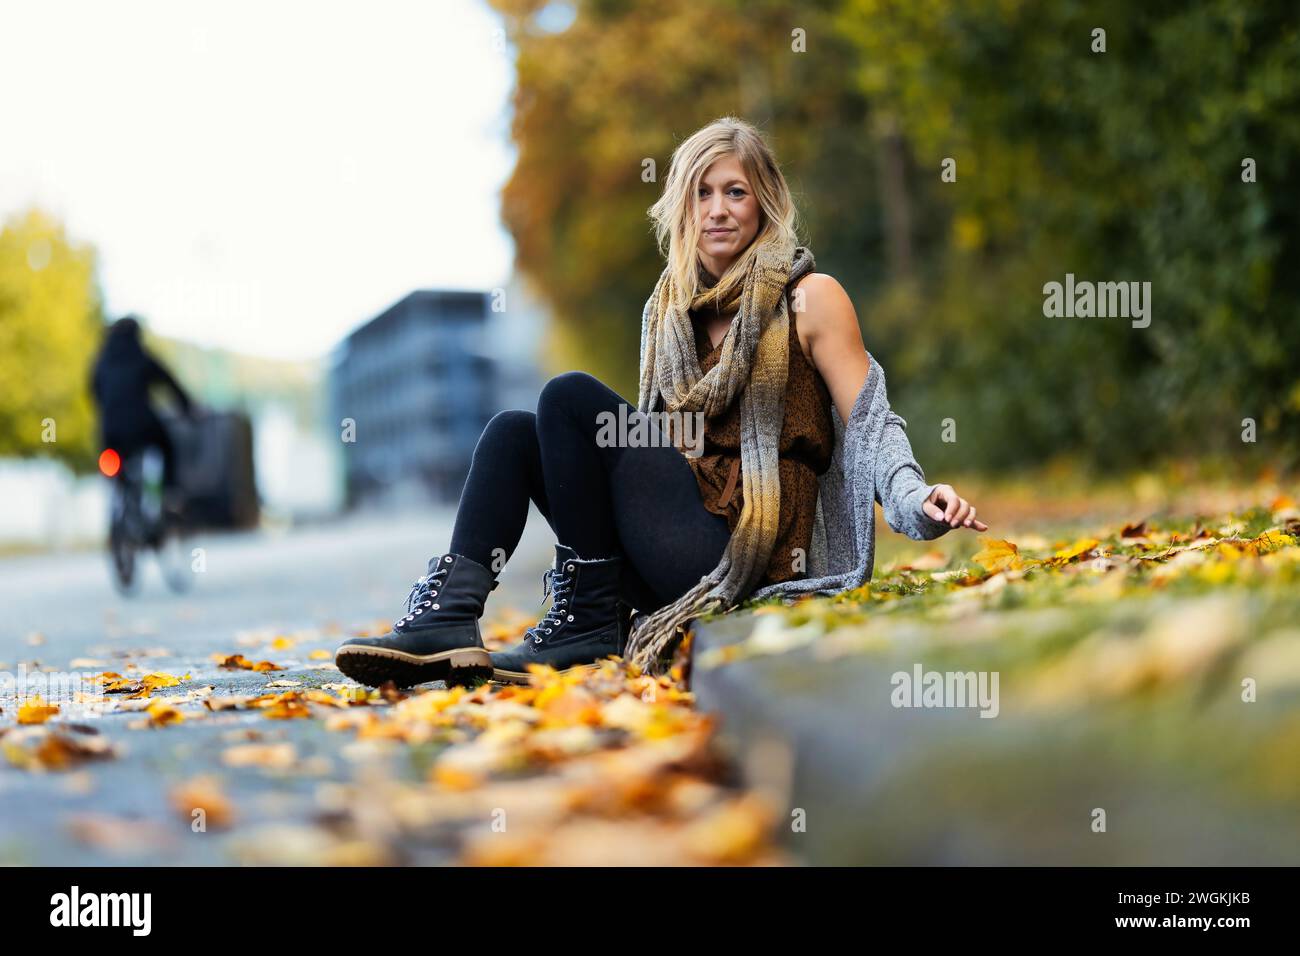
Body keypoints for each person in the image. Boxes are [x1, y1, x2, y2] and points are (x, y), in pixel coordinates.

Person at [334, 116, 988, 690]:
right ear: (682, 207)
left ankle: (587, 622)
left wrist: (916, 500)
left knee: (569, 398)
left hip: (743, 548)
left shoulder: (810, 297)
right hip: (667, 540)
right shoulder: (668, 311)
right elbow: (645, 445)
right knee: (512, 432)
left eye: (736, 191)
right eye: (702, 193)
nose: (719, 209)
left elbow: (872, 421)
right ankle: (451, 615)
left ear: (765, 204)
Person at [90, 315, 195, 514]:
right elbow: (168, 381)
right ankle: (171, 493)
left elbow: (92, 391)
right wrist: (187, 407)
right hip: (143, 427)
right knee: (167, 445)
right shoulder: (140, 356)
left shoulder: (101, 362)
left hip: (110, 432)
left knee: (111, 467)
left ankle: (120, 502)